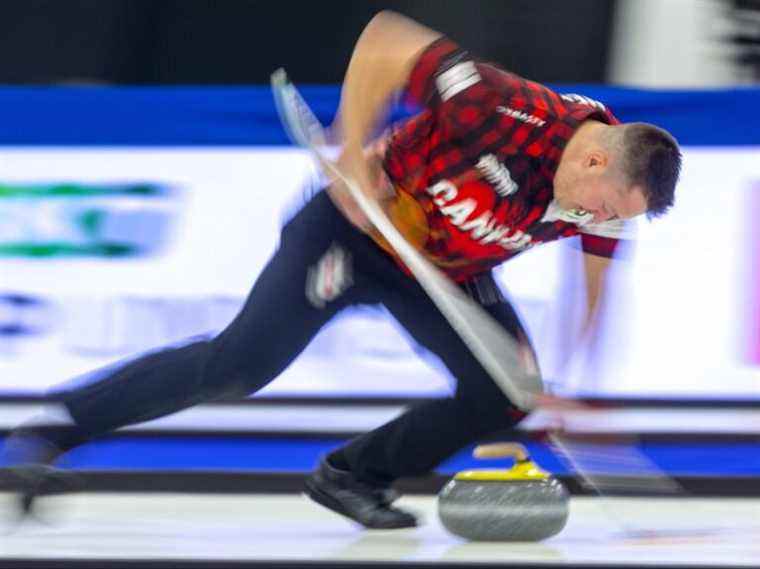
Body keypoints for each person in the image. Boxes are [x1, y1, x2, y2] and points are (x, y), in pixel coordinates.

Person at [1, 11, 681, 529]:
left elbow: (594, 286)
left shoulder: (609, 203)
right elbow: (385, 37)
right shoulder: (501, 109)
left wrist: (578, 382)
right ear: (593, 161)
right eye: (598, 207)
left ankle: (353, 475)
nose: (596, 219)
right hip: (355, 229)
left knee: (510, 388)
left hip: (443, 270)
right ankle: (53, 426)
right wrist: (350, 149)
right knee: (239, 365)